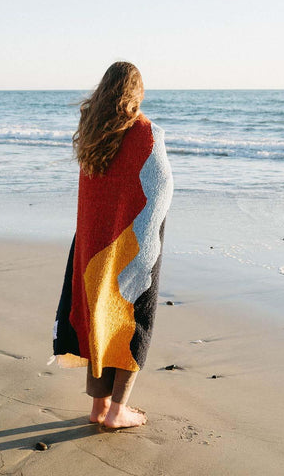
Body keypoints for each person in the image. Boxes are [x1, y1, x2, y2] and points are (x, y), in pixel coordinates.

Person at [53, 61, 173, 428]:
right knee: (133, 321)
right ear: (136, 94)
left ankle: (97, 407)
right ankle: (117, 412)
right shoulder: (145, 131)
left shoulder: (91, 131)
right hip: (133, 244)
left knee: (98, 316)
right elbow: (162, 186)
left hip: (92, 241)